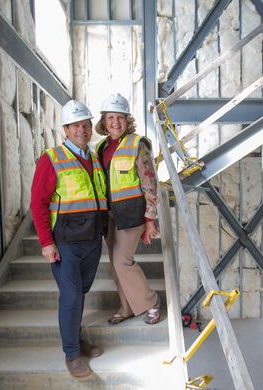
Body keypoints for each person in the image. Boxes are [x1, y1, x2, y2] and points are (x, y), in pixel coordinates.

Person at [30, 100, 107, 378]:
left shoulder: (94, 158)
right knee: (72, 296)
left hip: (92, 239)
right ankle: (72, 354)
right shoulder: (52, 158)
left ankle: (77, 340)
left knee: (80, 293)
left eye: (86, 125)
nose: (82, 130)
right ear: (65, 129)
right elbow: (38, 203)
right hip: (65, 242)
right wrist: (46, 243)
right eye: (76, 125)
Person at [94, 93, 162, 325]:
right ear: (103, 121)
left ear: (127, 120)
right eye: (110, 117)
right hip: (110, 215)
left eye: (120, 117)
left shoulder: (137, 144)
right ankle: (127, 307)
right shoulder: (102, 147)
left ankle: (151, 302)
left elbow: (149, 181)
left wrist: (150, 218)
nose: (115, 122)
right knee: (115, 265)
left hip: (132, 214)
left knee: (123, 261)